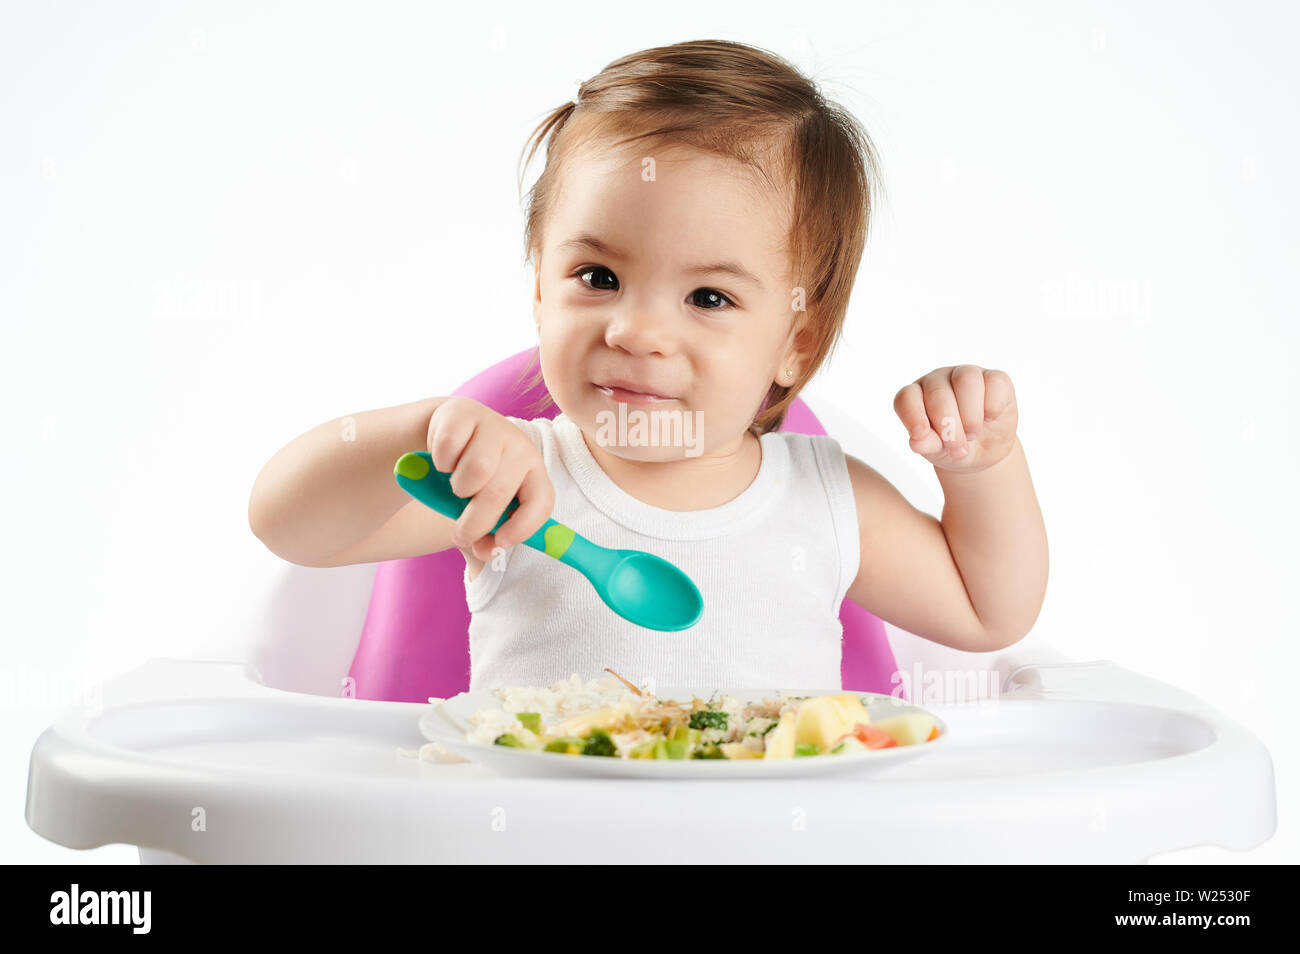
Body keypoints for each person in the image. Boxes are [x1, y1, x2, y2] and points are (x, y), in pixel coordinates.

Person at [249, 39, 1048, 692]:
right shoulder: (515, 483)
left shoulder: (826, 499)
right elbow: (287, 524)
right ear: (538, 290)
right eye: (597, 279)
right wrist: (420, 431)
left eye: (707, 297)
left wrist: (984, 470)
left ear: (795, 343)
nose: (636, 330)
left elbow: (989, 612)